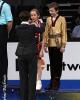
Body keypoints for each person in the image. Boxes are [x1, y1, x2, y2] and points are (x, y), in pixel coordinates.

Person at [15, 10, 44, 100]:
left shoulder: (17, 27)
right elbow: (41, 29)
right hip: (31, 54)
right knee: (32, 77)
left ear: (20, 18)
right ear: (29, 18)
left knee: (23, 78)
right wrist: (41, 22)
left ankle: (23, 98)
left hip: (21, 54)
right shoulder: (32, 27)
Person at [44, 2, 67, 90]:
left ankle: (56, 81)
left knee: (58, 63)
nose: (50, 12)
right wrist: (45, 44)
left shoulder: (62, 19)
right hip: (50, 43)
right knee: (52, 63)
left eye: (52, 11)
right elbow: (46, 32)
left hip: (59, 43)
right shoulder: (48, 19)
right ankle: (52, 81)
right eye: (50, 11)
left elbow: (64, 32)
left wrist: (63, 45)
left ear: (57, 10)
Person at [30, 9, 45, 90]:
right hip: (30, 47)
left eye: (34, 15)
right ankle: (32, 81)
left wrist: (42, 49)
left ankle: (38, 81)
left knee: (38, 64)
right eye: (31, 15)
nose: (33, 17)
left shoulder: (41, 24)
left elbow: (43, 38)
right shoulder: (29, 23)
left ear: (38, 16)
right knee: (31, 66)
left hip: (38, 46)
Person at [0, 0, 13, 86]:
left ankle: (3, 79)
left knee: (2, 55)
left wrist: (7, 33)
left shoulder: (5, 6)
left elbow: (9, 22)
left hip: (1, 30)